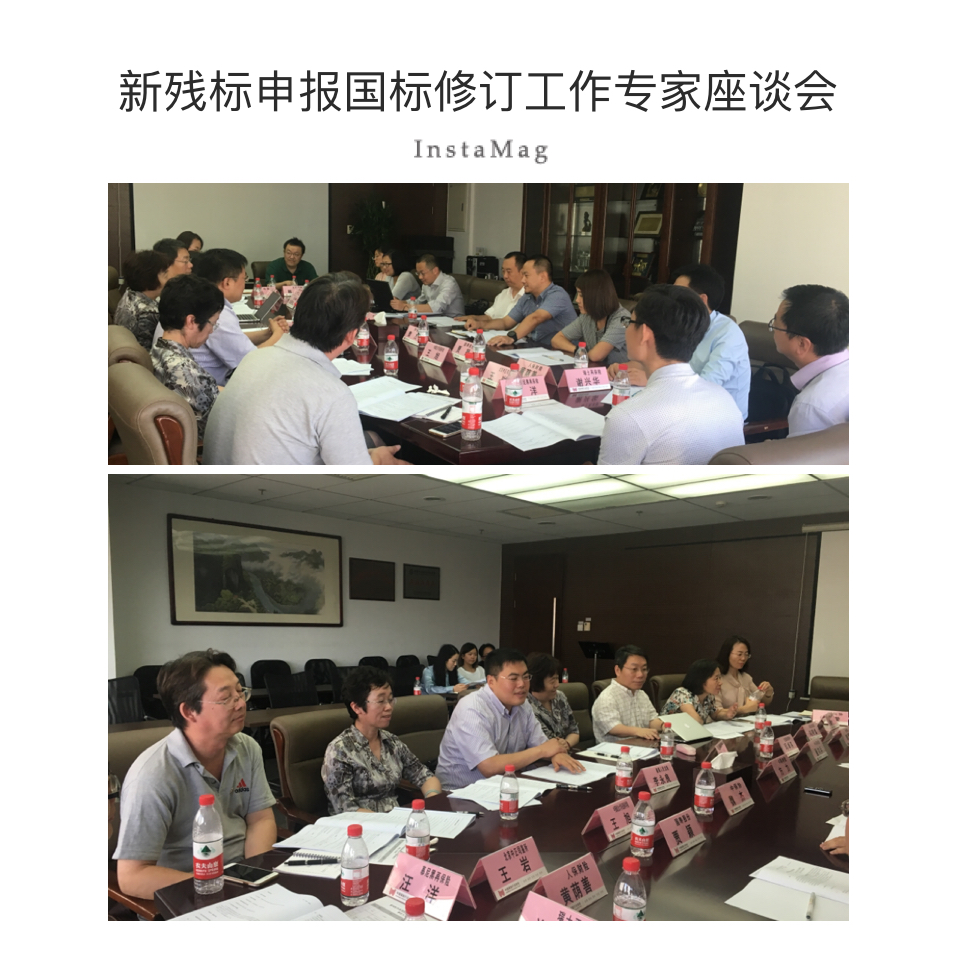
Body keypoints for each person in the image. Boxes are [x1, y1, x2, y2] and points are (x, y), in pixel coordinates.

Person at [113, 650, 276, 900]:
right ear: (189, 711)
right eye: (226, 698)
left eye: (240, 692)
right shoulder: (153, 775)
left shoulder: (247, 748)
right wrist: (218, 887)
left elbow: (260, 820)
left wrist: (253, 878)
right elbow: (132, 876)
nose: (241, 703)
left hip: (242, 882)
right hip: (188, 892)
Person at [203, 272, 408, 466]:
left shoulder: (255, 357)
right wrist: (375, 461)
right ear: (351, 335)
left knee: (371, 441)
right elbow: (357, 477)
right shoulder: (332, 394)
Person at [597, 285, 744, 465]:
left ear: (644, 334)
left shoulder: (628, 417)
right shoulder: (725, 399)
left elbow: (607, 483)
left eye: (629, 322)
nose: (626, 329)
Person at [435, 647, 585, 789]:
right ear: (491, 681)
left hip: (507, 786)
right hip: (461, 793)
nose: (522, 684)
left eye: (525, 677)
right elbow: (489, 766)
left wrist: (556, 754)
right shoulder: (472, 708)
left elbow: (544, 745)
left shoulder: (523, 705)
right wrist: (542, 751)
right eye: (513, 678)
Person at [322, 666, 443, 813]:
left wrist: (432, 800)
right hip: (360, 824)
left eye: (390, 700)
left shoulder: (391, 742)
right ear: (357, 707)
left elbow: (423, 775)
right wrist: (387, 821)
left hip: (396, 819)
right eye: (380, 701)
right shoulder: (340, 749)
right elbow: (344, 807)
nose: (389, 707)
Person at [187, 248, 287, 387]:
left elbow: (235, 340)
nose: (245, 283)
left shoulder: (203, 300)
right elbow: (250, 361)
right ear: (227, 283)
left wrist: (267, 333)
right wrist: (278, 335)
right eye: (244, 278)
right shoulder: (216, 313)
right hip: (215, 388)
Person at [151, 274, 224, 443]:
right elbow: (219, 427)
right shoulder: (188, 373)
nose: (211, 331)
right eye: (212, 323)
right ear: (191, 321)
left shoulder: (159, 350)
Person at [672, 263, 750, 419]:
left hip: (720, 420)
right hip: (684, 407)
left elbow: (707, 386)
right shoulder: (680, 325)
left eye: (678, 294)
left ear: (701, 300)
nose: (671, 300)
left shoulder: (728, 333)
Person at [771, 284, 849, 437]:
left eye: (776, 323)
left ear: (802, 344)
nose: (773, 326)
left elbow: (798, 453)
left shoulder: (811, 407)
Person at [487, 256, 577, 348]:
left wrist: (511, 337)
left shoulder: (558, 295)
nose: (522, 280)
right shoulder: (527, 297)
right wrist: (481, 324)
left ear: (542, 277)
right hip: (536, 348)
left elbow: (536, 317)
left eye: (526, 276)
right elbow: (506, 322)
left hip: (562, 351)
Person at [552, 268, 631, 364]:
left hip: (620, 373)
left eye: (581, 295)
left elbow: (596, 356)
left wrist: (582, 353)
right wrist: (578, 350)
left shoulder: (624, 318)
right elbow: (556, 340)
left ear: (596, 295)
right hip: (595, 369)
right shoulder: (587, 315)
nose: (577, 300)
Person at [591, 644, 663, 742]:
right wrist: (639, 731)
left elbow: (652, 720)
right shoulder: (607, 697)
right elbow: (613, 728)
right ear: (617, 670)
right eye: (634, 669)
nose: (640, 675)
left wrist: (664, 726)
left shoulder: (641, 694)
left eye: (644, 669)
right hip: (615, 749)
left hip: (642, 746)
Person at [113, 249, 171, 350]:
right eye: (165, 275)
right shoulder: (148, 313)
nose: (169, 279)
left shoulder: (130, 293)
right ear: (150, 278)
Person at [458, 251, 527, 328]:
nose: (505, 276)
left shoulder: (529, 297)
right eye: (503, 271)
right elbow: (489, 317)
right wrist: (473, 318)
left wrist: (481, 324)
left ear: (522, 272)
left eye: (509, 272)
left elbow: (506, 323)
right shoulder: (504, 293)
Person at [526, 653, 579, 748]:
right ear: (537, 682)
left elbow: (574, 731)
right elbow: (545, 741)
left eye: (557, 678)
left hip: (566, 751)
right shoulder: (526, 705)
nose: (557, 684)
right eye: (552, 681)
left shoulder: (560, 697)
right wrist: (560, 746)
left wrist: (567, 744)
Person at [662, 659, 739, 724]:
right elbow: (696, 721)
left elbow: (715, 714)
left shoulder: (708, 696)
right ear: (702, 680)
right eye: (716, 678)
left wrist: (727, 714)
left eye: (720, 678)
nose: (720, 682)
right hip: (668, 735)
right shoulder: (682, 694)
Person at [715, 635, 774, 715]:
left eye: (746, 654)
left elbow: (762, 702)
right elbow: (716, 712)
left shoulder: (745, 678)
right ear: (727, 654)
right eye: (739, 654)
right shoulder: (717, 679)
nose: (743, 658)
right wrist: (745, 709)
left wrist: (768, 692)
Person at [391, 254, 464, 317]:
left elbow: (437, 307)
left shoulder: (449, 283)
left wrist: (405, 307)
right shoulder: (426, 284)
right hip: (435, 320)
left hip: (454, 322)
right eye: (418, 273)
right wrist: (401, 303)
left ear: (435, 270)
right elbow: (419, 302)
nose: (420, 277)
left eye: (422, 273)